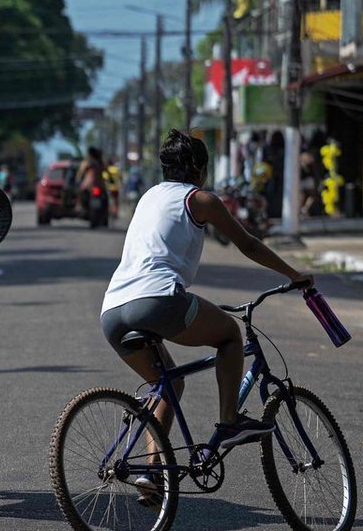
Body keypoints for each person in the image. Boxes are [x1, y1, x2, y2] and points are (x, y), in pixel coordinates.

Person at [100, 130, 312, 501]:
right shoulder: (199, 199)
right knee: (229, 335)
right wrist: (294, 275)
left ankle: (151, 474)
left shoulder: (149, 196)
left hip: (113, 310)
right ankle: (229, 421)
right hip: (157, 300)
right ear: (199, 168)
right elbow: (247, 243)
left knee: (168, 384)